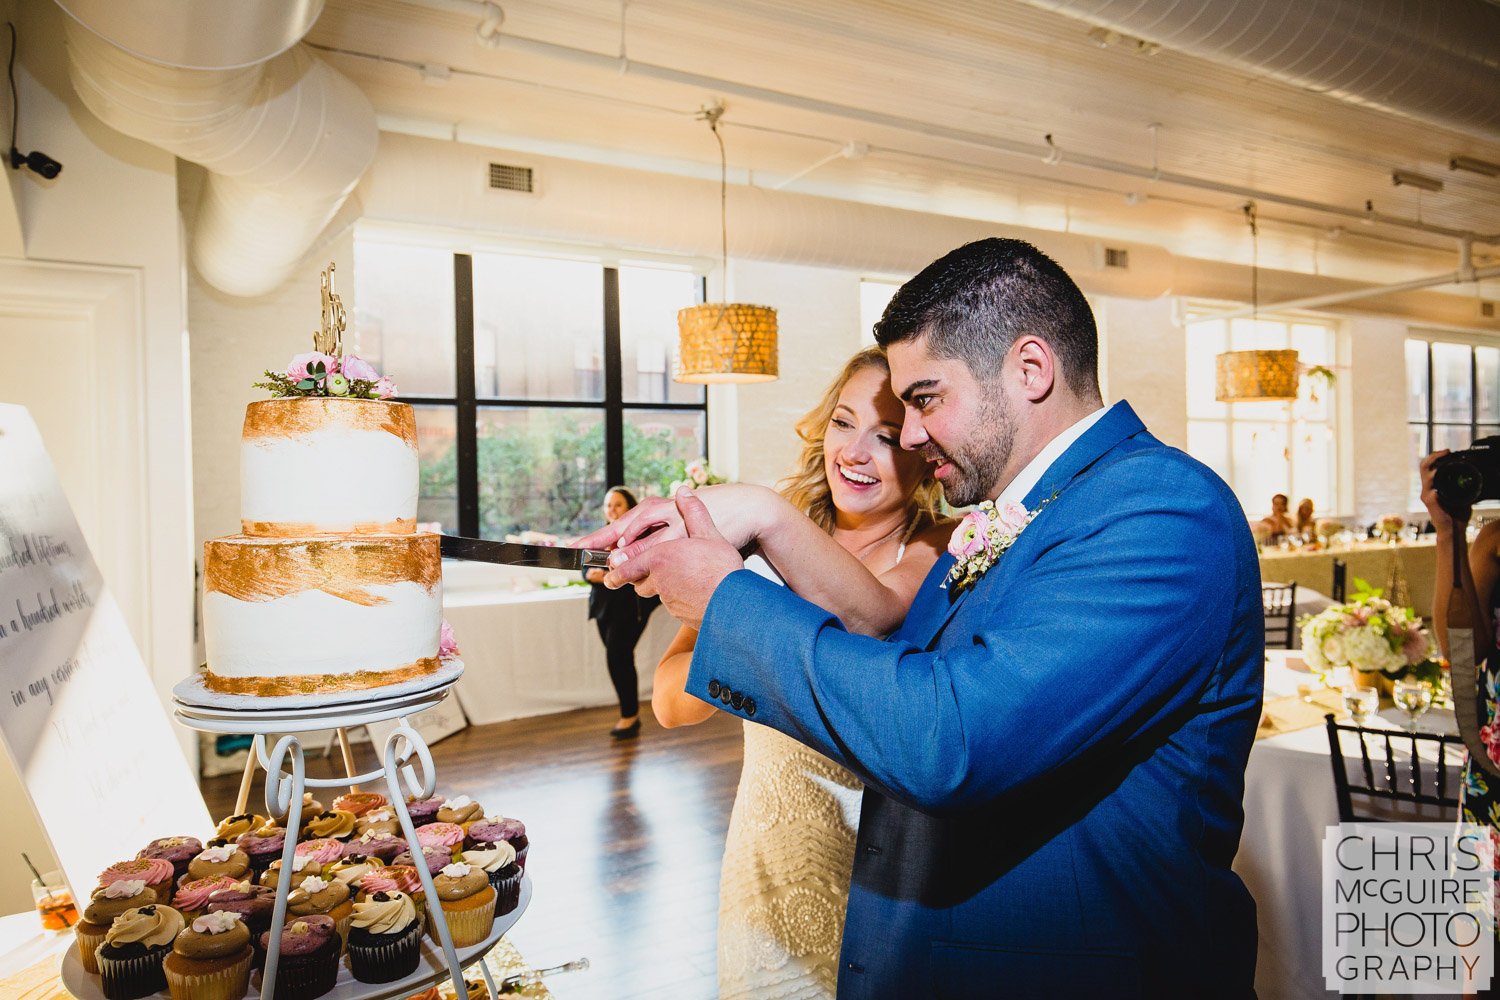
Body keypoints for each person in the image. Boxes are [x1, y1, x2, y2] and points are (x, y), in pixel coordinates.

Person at [581, 237, 1263, 997]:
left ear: (1030, 370)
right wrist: (756, 518)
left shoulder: (1159, 508)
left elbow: (952, 739)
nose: (906, 435)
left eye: (925, 399)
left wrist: (727, 600)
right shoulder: (1021, 512)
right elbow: (889, 656)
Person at [652, 347, 950, 998]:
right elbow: (671, 702)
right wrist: (738, 642)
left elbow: (876, 614)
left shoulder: (934, 544)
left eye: (886, 436)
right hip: (765, 852)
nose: (855, 452)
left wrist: (753, 611)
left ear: (922, 452)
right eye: (843, 424)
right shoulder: (754, 551)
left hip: (873, 862)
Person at [584, 486, 660, 738]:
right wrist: (590, 575)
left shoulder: (637, 538)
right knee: (617, 658)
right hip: (603, 607)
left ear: (629, 508)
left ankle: (630, 716)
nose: (612, 509)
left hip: (628, 608)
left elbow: (643, 569)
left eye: (617, 504)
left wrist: (606, 574)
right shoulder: (599, 536)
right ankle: (629, 714)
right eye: (608, 505)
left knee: (619, 658)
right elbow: (583, 568)